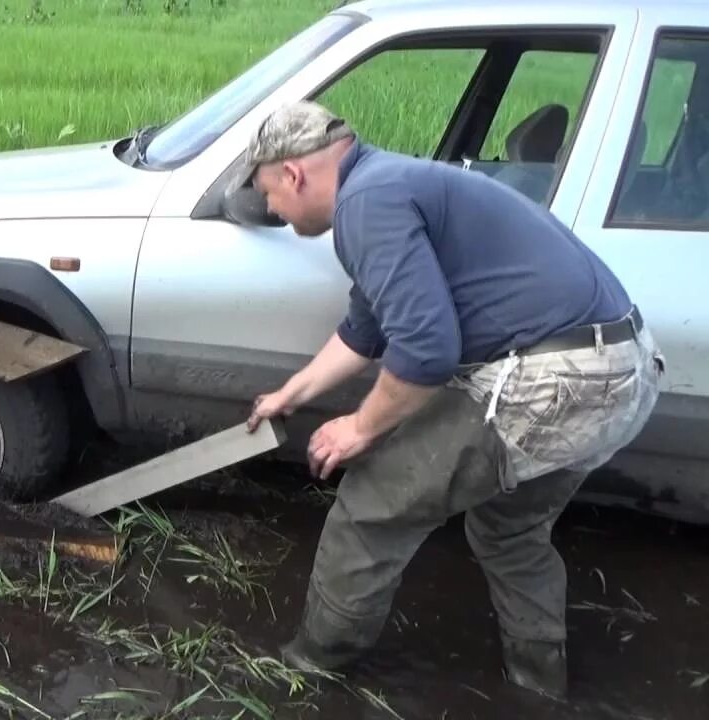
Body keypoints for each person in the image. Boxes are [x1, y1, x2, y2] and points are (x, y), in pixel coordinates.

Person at [238, 101, 664, 701]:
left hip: (551, 381)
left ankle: (309, 667)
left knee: (372, 504)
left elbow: (428, 350)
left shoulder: (366, 203)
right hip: (622, 373)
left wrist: (360, 429)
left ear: (293, 173)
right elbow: (366, 330)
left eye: (267, 195)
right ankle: (540, 686)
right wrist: (290, 393)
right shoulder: (391, 183)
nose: (272, 211)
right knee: (509, 532)